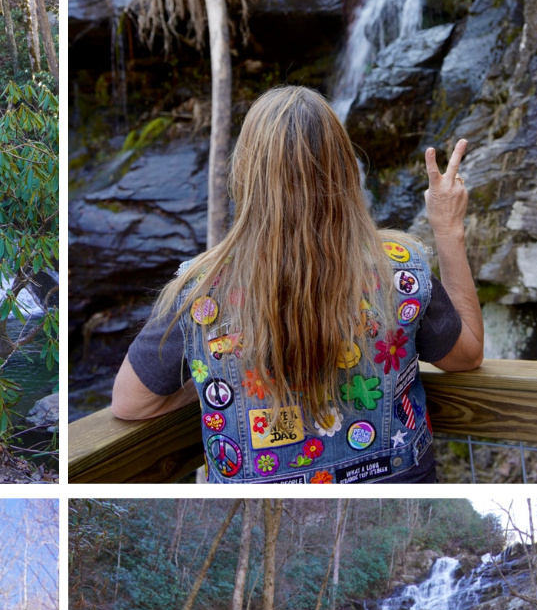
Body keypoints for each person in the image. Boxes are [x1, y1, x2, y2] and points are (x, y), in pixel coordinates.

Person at [110, 86, 484, 484]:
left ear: (246, 173)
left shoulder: (200, 292)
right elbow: (467, 354)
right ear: (344, 169)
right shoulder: (399, 270)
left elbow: (131, 403)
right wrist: (447, 229)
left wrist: (212, 384)